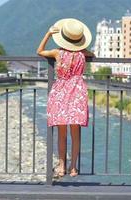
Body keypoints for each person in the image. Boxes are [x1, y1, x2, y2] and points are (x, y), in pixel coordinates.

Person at [37, 18, 94, 177]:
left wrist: (48, 34)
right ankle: (74, 168)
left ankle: (61, 166)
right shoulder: (83, 54)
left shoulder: (57, 53)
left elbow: (39, 51)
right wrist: (81, 46)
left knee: (61, 133)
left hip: (60, 92)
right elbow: (92, 54)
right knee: (75, 134)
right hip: (77, 93)